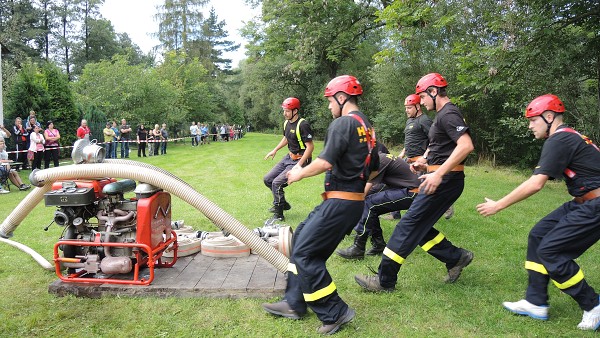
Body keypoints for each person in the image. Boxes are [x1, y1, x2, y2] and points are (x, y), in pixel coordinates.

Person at [262, 75, 379, 335]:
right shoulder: (367, 127)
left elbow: (325, 161)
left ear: (341, 97)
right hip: (351, 203)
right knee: (301, 237)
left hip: (340, 202)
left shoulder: (343, 124)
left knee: (306, 255)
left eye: (330, 101)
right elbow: (374, 169)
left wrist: (298, 172)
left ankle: (335, 311)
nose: (328, 106)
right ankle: (294, 302)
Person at [476, 94, 600, 330]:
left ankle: (593, 304)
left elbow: (536, 183)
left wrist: (498, 204)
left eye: (533, 120)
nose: (530, 125)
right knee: (539, 234)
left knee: (551, 251)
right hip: (584, 201)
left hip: (595, 204)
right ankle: (536, 302)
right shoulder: (569, 136)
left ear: (549, 117)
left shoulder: (559, 140)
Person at [355, 73, 475, 291]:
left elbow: (466, 146)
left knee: (407, 226)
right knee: (420, 228)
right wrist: (426, 164)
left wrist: (438, 174)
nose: (421, 101)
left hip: (444, 181)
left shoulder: (448, 113)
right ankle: (456, 257)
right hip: (441, 178)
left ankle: (384, 280)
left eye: (422, 96)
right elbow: (444, 148)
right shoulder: (442, 115)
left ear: (433, 91)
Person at [336, 152, 421, 259]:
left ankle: (358, 247)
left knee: (369, 203)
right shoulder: (378, 158)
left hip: (413, 192)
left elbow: (364, 191)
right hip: (406, 188)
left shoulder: (379, 161)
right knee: (371, 206)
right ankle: (378, 244)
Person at [263, 97, 315, 221]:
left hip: (301, 159)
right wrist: (275, 150)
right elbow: (286, 138)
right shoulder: (286, 123)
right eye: (284, 110)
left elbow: (310, 147)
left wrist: (299, 165)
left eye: (287, 111)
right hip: (289, 157)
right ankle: (282, 203)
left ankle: (279, 214)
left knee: (277, 183)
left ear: (295, 111)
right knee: (268, 179)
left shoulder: (303, 125)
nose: (284, 113)